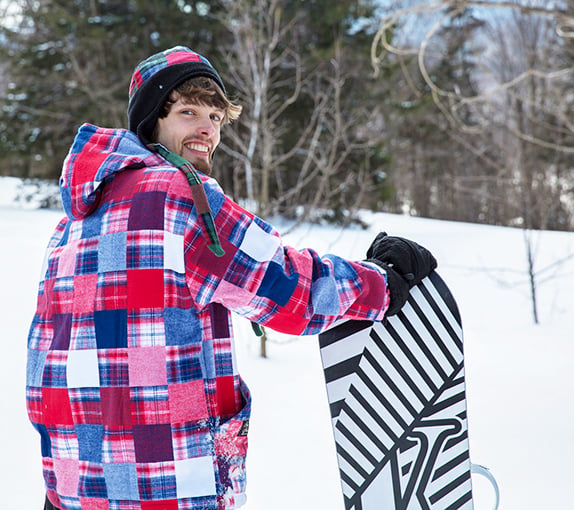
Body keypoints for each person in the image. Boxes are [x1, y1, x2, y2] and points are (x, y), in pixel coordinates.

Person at [26, 46, 436, 510]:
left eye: (217, 117)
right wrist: (383, 281)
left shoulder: (76, 218)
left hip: (73, 485)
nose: (207, 129)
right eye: (188, 112)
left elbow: (46, 351)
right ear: (152, 121)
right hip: (169, 483)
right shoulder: (181, 197)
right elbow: (288, 287)